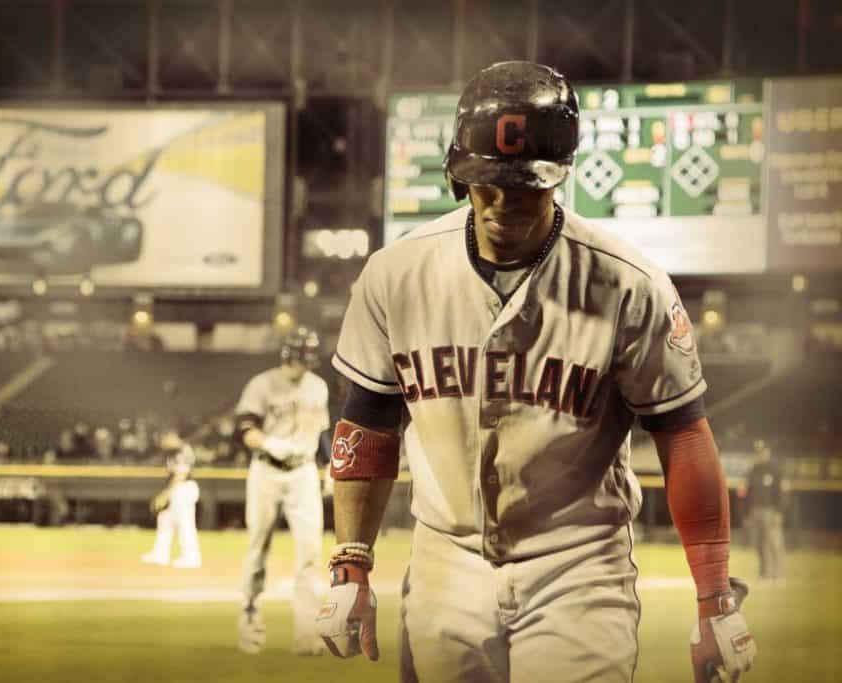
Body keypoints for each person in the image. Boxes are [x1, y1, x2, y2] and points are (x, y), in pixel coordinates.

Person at [316, 61, 757, 682]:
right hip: (447, 557)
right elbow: (366, 424)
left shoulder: (628, 283)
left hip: (578, 565)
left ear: (561, 175)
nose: (502, 203)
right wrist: (352, 561)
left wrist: (714, 597)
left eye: (524, 187)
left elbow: (683, 434)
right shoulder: (396, 275)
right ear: (456, 174)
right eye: (485, 184)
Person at [235, 327, 330, 656]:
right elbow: (245, 429)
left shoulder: (318, 386)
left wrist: (329, 465)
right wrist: (269, 442)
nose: (306, 364)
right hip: (266, 470)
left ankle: (307, 634)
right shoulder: (263, 383)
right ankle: (250, 622)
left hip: (303, 471)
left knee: (310, 553)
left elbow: (322, 433)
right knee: (258, 549)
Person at [141, 429, 201, 568]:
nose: (162, 444)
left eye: (164, 440)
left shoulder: (183, 450)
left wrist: (164, 495)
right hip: (177, 489)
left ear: (172, 437)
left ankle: (191, 558)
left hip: (184, 488)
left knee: (185, 524)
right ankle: (160, 554)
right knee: (164, 520)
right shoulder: (173, 453)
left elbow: (181, 475)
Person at [739, 439, 786, 583]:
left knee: (774, 543)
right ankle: (764, 574)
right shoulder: (752, 471)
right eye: (757, 453)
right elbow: (745, 493)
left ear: (768, 452)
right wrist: (746, 513)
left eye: (762, 452)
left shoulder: (776, 470)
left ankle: (777, 574)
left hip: (771, 511)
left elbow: (782, 492)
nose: (760, 455)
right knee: (760, 544)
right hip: (755, 511)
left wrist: (779, 512)